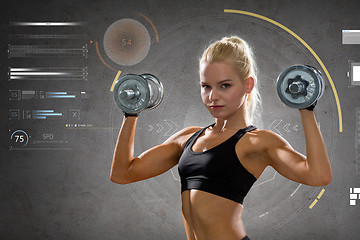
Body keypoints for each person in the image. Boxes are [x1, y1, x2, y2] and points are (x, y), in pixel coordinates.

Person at [110, 36, 332, 240]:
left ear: (248, 84)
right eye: (206, 87)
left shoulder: (257, 142)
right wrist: (131, 113)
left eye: (225, 85)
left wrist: (306, 108)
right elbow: (123, 173)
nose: (212, 97)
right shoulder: (188, 137)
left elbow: (318, 175)